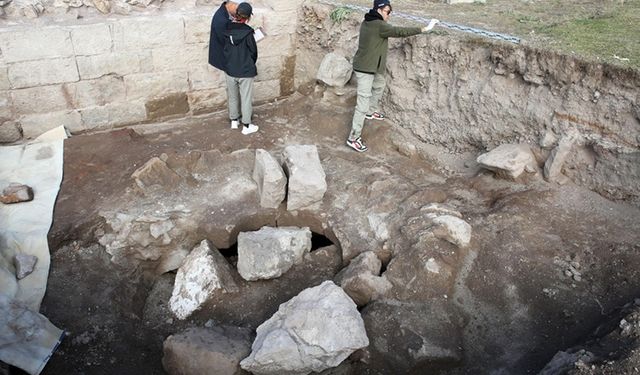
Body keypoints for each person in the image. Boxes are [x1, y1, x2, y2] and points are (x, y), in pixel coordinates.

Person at [346, 0, 439, 152]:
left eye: (390, 12)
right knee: (362, 104)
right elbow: (399, 31)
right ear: (379, 10)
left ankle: (371, 111)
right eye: (387, 12)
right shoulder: (379, 26)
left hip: (372, 66)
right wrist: (425, 28)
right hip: (365, 69)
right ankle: (353, 138)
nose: (389, 15)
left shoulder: (368, 20)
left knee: (379, 84)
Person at [223, 2, 259, 135]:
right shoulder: (248, 33)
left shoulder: (226, 29)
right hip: (245, 71)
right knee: (246, 98)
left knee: (232, 96)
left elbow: (224, 49)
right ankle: (247, 126)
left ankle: (234, 121)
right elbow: (254, 52)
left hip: (230, 70)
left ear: (237, 15)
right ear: (248, 17)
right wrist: (249, 63)